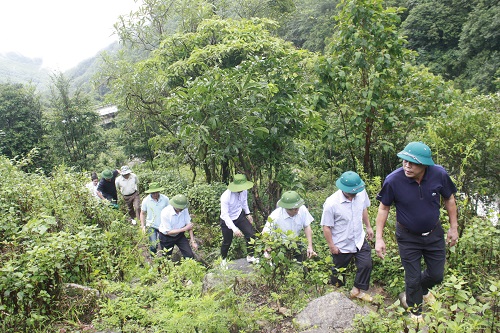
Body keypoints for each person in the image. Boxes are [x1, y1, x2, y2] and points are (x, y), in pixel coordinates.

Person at [375, 142, 458, 320]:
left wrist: (454, 227)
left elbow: (449, 199)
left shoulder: (439, 174)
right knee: (412, 278)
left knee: (437, 275)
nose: (407, 166)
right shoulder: (393, 180)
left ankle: (422, 289)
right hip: (407, 237)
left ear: (425, 165)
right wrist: (379, 238)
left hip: (434, 233)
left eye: (413, 163)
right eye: (405, 161)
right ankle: (415, 313)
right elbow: (383, 208)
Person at [321, 171, 374, 302]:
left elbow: (363, 209)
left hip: (359, 239)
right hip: (341, 243)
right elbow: (326, 226)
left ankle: (357, 291)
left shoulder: (361, 193)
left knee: (366, 265)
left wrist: (368, 226)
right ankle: (336, 295)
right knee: (338, 272)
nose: (354, 195)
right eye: (351, 193)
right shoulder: (331, 203)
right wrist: (331, 246)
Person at [262, 191, 317, 261]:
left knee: (304, 257)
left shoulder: (302, 209)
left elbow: (307, 226)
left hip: (295, 242)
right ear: (285, 208)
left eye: (297, 208)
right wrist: (268, 248)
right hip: (279, 244)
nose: (296, 210)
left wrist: (310, 246)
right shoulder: (275, 215)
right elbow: (265, 233)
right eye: (292, 209)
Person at [220, 174, 258, 264]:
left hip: (239, 215)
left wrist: (248, 214)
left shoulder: (244, 191)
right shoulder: (225, 196)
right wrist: (235, 229)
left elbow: (244, 202)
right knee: (227, 241)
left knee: (251, 234)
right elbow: (225, 215)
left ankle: (250, 256)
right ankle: (223, 260)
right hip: (227, 220)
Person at [158, 194, 198, 259]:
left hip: (179, 236)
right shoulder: (165, 213)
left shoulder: (184, 209)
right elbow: (168, 232)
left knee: (189, 255)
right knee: (166, 258)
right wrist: (184, 229)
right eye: (181, 208)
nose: (182, 209)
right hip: (166, 237)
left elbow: (189, 225)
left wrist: (193, 241)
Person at [140, 182, 169, 255]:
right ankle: (153, 258)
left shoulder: (165, 199)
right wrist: (143, 226)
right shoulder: (146, 200)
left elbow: (170, 211)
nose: (155, 194)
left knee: (164, 245)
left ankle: (164, 260)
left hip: (163, 225)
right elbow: (142, 213)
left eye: (156, 192)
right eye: (153, 193)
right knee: (153, 245)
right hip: (151, 225)